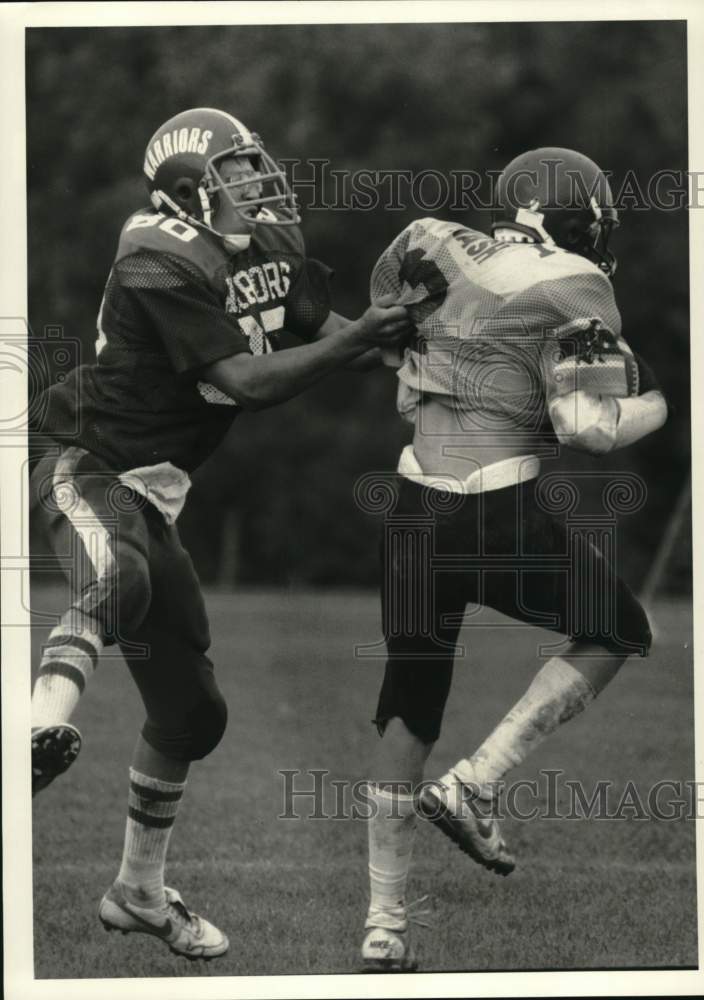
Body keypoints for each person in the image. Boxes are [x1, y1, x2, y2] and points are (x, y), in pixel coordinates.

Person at [29, 106, 413, 962]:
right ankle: (34, 727)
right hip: (82, 455)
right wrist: (364, 336)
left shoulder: (268, 242)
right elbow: (245, 381)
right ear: (190, 192)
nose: (257, 181)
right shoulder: (156, 256)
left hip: (158, 486)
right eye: (237, 170)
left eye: (254, 164)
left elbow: (321, 334)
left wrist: (409, 332)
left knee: (192, 715)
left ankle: (137, 892)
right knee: (116, 573)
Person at [359, 147, 668, 972]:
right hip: (495, 510)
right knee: (619, 629)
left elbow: (385, 330)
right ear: (572, 216)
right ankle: (479, 780)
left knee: (408, 704)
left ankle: (383, 925)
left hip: (413, 505)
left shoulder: (428, 236)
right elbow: (587, 428)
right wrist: (658, 402)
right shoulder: (577, 281)